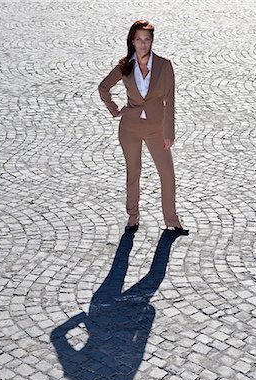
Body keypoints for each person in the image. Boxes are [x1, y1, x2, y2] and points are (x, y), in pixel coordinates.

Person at [98, 20, 189, 235]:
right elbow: (103, 88)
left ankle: (171, 220)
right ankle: (133, 217)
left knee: (167, 174)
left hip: (157, 129)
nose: (142, 44)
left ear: (151, 42)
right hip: (130, 128)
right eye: (138, 40)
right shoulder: (125, 65)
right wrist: (115, 109)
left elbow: (170, 101)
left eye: (146, 40)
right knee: (134, 173)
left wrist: (169, 133)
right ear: (132, 41)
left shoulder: (164, 66)